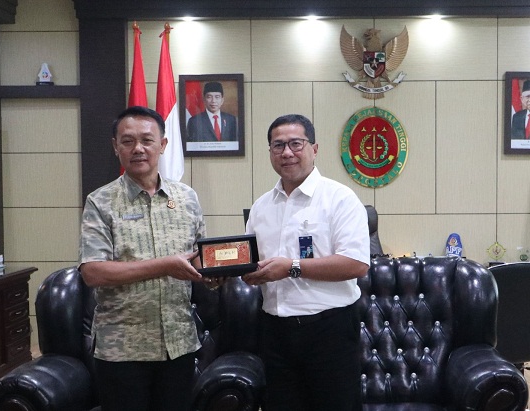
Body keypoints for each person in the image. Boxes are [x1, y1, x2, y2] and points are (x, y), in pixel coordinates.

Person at [79, 106, 212, 411]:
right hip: (122, 350)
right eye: (128, 141)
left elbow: (198, 259)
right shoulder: (100, 202)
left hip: (178, 345)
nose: (138, 148)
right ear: (116, 147)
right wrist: (165, 266)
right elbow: (93, 272)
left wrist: (216, 274)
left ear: (162, 145)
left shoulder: (187, 198)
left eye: (147, 140)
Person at [242, 114, 371, 411]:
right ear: (270, 152)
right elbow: (250, 262)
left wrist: (291, 267)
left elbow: (356, 264)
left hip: (330, 331)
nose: (287, 152)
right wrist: (231, 274)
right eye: (278, 145)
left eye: (296, 144)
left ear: (314, 149)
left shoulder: (340, 199)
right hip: (275, 333)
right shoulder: (261, 208)